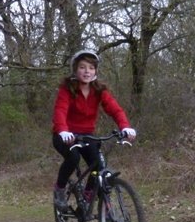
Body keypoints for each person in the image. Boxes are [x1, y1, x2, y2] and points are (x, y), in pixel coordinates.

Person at [51, 49, 136, 210]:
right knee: (73, 157)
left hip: (86, 135)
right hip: (64, 135)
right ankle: (60, 189)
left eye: (91, 68)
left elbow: (115, 109)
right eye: (82, 67)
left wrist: (125, 127)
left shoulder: (99, 91)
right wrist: (62, 130)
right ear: (75, 69)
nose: (86, 71)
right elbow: (60, 110)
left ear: (95, 71)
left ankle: (88, 195)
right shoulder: (67, 89)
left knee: (98, 165)